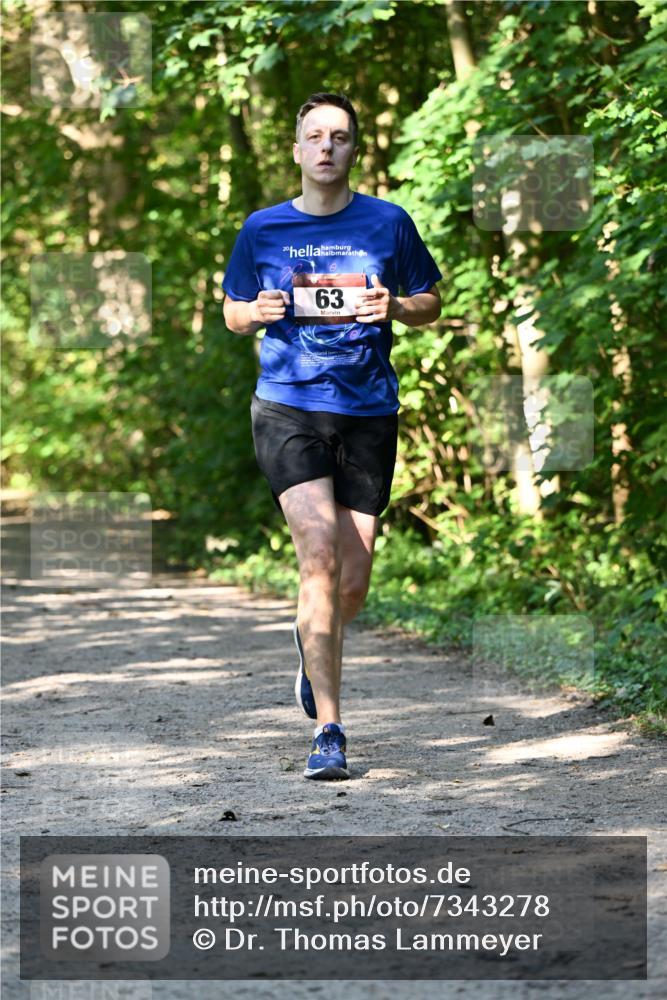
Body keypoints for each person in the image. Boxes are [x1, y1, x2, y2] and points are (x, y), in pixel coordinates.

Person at [222, 92, 442, 780]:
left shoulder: (388, 221)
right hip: (287, 405)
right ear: (295, 151)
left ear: (353, 150)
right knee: (316, 555)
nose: (325, 147)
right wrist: (252, 311)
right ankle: (329, 730)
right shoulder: (261, 229)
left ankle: (309, 642)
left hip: (368, 410)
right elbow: (231, 310)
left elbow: (431, 302)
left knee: (351, 582)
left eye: (338, 137)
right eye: (313, 136)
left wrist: (397, 306)